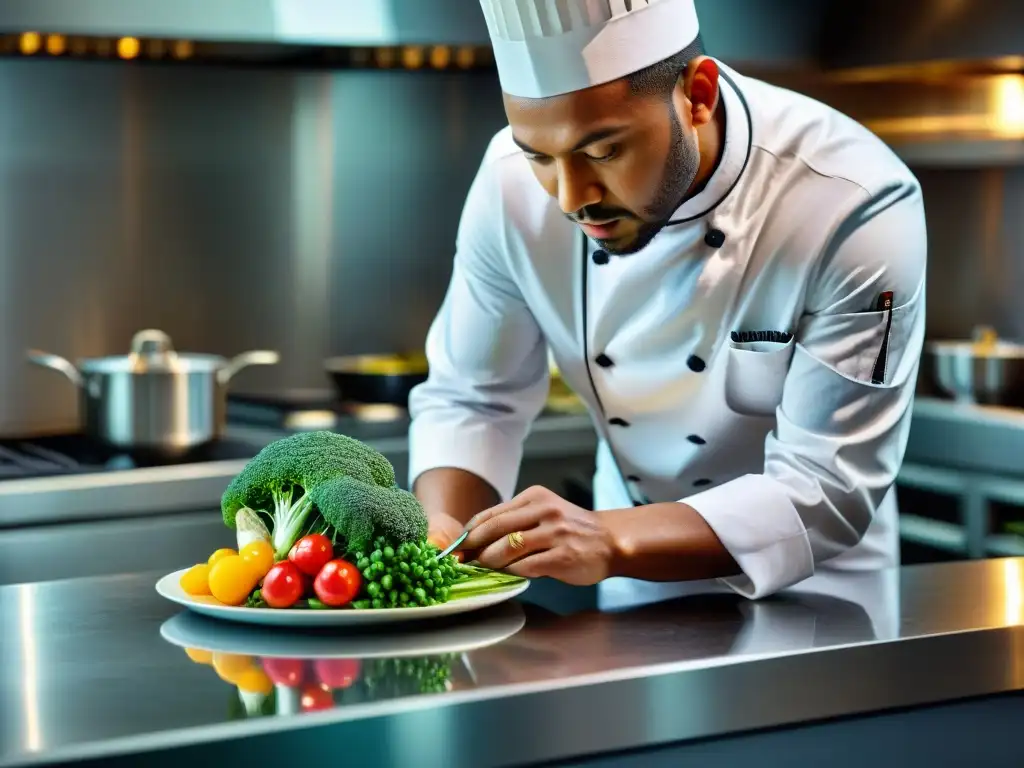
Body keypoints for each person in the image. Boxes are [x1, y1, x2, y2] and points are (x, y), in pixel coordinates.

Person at [407, 0, 927, 599]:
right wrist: (447, 542)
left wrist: (607, 539)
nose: (572, 197)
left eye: (603, 151)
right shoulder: (507, 186)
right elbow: (472, 399)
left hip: (819, 597)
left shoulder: (851, 201)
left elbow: (826, 488)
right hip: (631, 588)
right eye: (540, 156)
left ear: (697, 95)